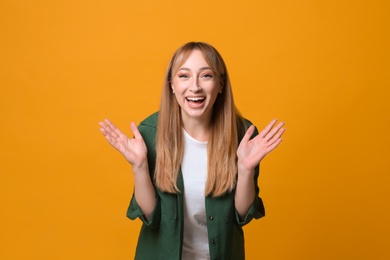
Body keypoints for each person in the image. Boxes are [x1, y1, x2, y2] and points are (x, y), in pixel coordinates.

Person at [99, 42, 285, 260]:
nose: (194, 87)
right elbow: (152, 216)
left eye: (206, 76)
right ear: (171, 84)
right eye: (184, 76)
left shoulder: (243, 135)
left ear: (220, 83)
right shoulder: (149, 134)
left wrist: (245, 169)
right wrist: (139, 166)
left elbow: (240, 216)